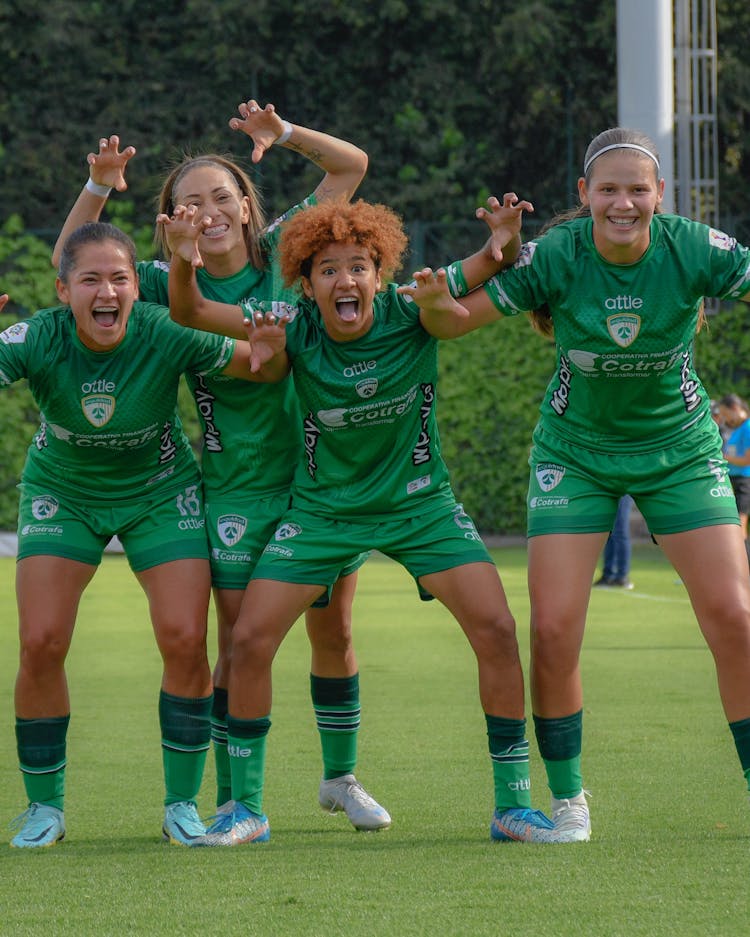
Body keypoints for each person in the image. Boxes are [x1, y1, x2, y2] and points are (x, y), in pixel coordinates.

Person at [161, 192, 579, 846]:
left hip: (421, 506)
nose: (345, 280)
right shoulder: (292, 323)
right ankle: (245, 807)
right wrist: (183, 261)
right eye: (327, 270)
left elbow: (488, 264)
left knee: (497, 627)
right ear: (306, 283)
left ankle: (513, 806)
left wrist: (503, 237)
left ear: (381, 274)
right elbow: (189, 310)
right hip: (324, 512)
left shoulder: (413, 308)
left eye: (358, 265)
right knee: (248, 640)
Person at [405, 127, 750, 844]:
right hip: (576, 453)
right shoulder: (555, 255)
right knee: (555, 627)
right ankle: (568, 801)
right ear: (584, 196)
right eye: (609, 188)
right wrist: (440, 298)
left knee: (735, 618)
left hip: (680, 449)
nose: (623, 201)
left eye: (638, 188)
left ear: (660, 196)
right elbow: (455, 321)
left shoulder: (694, 247)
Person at [51, 103, 390, 831]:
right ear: (171, 220)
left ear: (246, 206)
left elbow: (350, 167)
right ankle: (236, 801)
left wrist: (285, 136)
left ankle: (341, 778)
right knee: (240, 643)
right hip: (233, 485)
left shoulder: (286, 255)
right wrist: (100, 185)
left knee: (334, 632)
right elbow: (70, 263)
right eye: (187, 202)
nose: (206, 211)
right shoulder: (162, 277)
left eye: (219, 196)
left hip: (319, 482)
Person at [5, 221, 268, 848]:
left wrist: (269, 338)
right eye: (90, 280)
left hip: (159, 490)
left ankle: (182, 804)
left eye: (120, 278)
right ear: (63, 289)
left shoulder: (160, 327)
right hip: (62, 493)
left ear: (136, 287)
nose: (108, 292)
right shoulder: (37, 336)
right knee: (41, 642)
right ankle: (44, 808)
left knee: (183, 639)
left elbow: (258, 365)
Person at [718, 393, 750, 568]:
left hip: (745, 482)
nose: (724, 418)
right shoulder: (737, 429)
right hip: (733, 480)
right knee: (732, 527)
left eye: (725, 413)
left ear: (735, 409)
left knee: (740, 527)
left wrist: (724, 458)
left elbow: (747, 459)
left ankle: (743, 568)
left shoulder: (748, 428)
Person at [592, 494, 634, 589]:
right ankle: (608, 575)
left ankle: (622, 576)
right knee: (609, 532)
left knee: (620, 531)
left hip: (623, 489)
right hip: (609, 487)